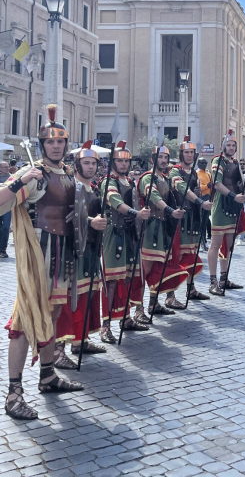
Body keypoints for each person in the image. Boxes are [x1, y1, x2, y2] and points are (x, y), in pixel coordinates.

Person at [0, 105, 85, 420]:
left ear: (66, 144)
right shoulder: (34, 174)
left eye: (60, 142)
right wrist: (21, 179)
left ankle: (47, 376)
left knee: (52, 315)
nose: (56, 146)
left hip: (64, 256)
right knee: (22, 324)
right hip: (38, 259)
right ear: (42, 145)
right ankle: (13, 393)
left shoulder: (69, 173)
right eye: (50, 142)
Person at [55, 141, 109, 357]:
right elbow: (65, 216)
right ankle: (59, 349)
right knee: (70, 298)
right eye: (86, 163)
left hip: (92, 248)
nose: (90, 167)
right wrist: (89, 221)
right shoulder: (70, 188)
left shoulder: (94, 188)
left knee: (88, 294)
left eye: (93, 163)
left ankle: (81, 340)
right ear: (77, 165)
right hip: (73, 250)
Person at [100, 141, 151, 342]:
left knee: (129, 278)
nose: (123, 164)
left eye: (126, 161)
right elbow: (114, 201)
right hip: (114, 234)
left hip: (130, 233)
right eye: (119, 161)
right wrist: (135, 213)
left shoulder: (129, 182)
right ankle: (106, 326)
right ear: (113, 162)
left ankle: (126, 318)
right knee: (112, 280)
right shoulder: (108, 181)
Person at [136, 145, 188, 317]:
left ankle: (153, 304)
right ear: (152, 160)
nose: (164, 161)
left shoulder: (165, 178)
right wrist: (169, 211)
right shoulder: (147, 178)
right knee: (145, 270)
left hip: (163, 228)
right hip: (150, 228)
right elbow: (154, 196)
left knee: (159, 268)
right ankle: (138, 309)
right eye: (160, 158)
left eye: (166, 158)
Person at [167, 137, 212, 305]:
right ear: (181, 154)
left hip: (193, 217)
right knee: (175, 256)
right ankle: (170, 295)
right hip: (179, 218)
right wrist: (200, 201)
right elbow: (181, 188)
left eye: (191, 152)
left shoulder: (194, 172)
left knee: (191, 255)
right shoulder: (175, 171)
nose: (189, 155)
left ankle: (191, 289)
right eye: (186, 152)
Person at [208, 132, 245, 296]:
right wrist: (233, 196)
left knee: (229, 245)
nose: (231, 148)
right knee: (216, 244)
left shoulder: (235, 162)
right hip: (221, 205)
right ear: (224, 146)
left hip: (233, 207)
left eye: (233, 146)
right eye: (228, 145)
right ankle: (213, 282)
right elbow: (217, 184)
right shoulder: (218, 161)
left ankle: (224, 279)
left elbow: (237, 182)